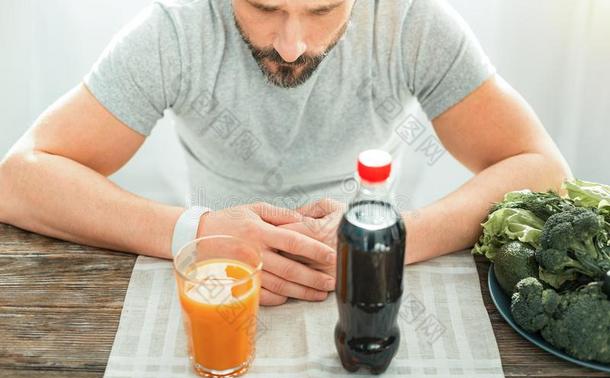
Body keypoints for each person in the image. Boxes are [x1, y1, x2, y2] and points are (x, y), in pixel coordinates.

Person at [0, 0, 571, 306]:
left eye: (323, 11)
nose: (291, 45)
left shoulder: (411, 21)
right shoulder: (176, 30)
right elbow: (18, 178)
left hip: (372, 279)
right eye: (262, 6)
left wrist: (383, 242)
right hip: (221, 277)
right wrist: (200, 233)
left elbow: (542, 168)